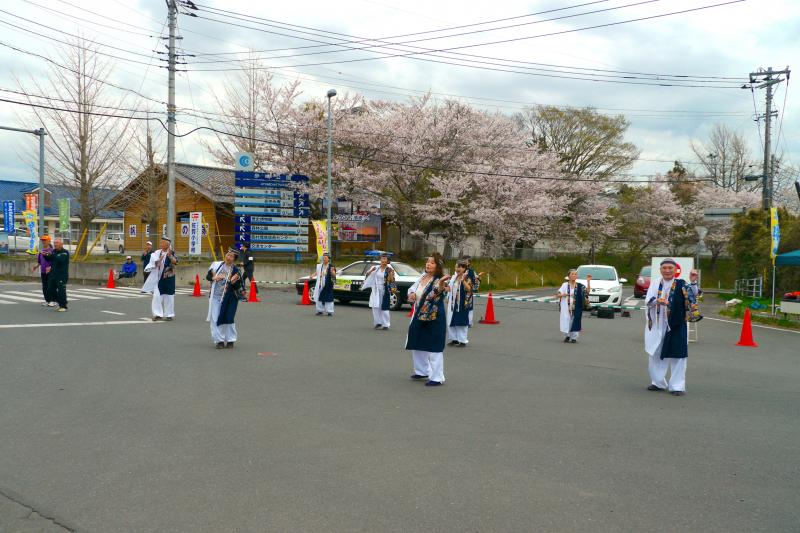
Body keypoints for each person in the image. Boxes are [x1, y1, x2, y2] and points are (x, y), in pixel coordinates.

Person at [644, 258, 697, 396]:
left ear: (675, 270)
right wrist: (657, 301)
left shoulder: (682, 284)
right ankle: (657, 382)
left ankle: (677, 386)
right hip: (657, 323)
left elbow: (693, 296)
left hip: (677, 323)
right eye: (664, 268)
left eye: (670, 268)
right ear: (660, 270)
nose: (667, 270)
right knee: (655, 353)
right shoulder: (655, 283)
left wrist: (693, 282)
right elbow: (647, 301)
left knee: (678, 355)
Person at [406, 253, 451, 387]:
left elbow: (437, 292)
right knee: (416, 340)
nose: (428, 264)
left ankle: (437, 377)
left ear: (438, 266)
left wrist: (442, 284)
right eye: (427, 262)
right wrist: (412, 294)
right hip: (419, 314)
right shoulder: (422, 277)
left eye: (432, 262)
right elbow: (412, 289)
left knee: (434, 346)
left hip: (434, 316)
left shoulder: (440, 279)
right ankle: (421, 370)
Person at [206, 248, 243, 349]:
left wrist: (233, 282)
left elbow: (238, 287)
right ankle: (219, 340)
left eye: (231, 256)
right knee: (215, 318)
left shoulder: (236, 270)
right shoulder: (216, 265)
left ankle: (230, 339)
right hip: (215, 296)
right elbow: (208, 277)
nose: (228, 257)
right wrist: (214, 278)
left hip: (230, 298)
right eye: (227, 255)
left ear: (234, 259)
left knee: (228, 317)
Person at [143, 237, 178, 321]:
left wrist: (169, 256)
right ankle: (157, 314)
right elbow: (154, 263)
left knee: (169, 296)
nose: (161, 244)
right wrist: (159, 260)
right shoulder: (157, 252)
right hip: (158, 278)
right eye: (161, 242)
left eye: (163, 243)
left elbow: (175, 262)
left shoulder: (172, 252)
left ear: (168, 244)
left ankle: (169, 314)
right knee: (157, 296)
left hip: (169, 277)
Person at [556, 270, 591, 343]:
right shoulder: (564, 285)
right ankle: (567, 336)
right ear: (568, 276)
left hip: (576, 307)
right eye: (572, 274)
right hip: (566, 307)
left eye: (575, 274)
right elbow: (557, 295)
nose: (574, 275)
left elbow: (587, 292)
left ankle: (574, 337)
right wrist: (563, 295)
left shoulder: (579, 286)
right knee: (566, 321)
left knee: (575, 321)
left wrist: (588, 282)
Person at [364, 253, 396, 330]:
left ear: (388, 261)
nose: (383, 260)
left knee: (384, 307)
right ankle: (378, 323)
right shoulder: (376, 268)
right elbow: (367, 275)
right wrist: (371, 271)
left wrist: (393, 290)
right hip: (376, 290)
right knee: (375, 306)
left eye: (385, 259)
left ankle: (386, 324)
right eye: (382, 258)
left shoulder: (390, 270)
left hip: (385, 290)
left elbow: (392, 281)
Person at [446, 260, 472, 347]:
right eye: (457, 266)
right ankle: (454, 339)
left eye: (461, 267)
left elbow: (469, 289)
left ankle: (462, 340)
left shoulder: (467, 277)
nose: (459, 268)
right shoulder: (454, 277)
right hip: (452, 303)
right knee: (451, 320)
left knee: (461, 321)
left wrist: (463, 281)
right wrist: (447, 296)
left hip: (462, 303)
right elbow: (449, 288)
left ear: (465, 268)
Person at [44, 238, 70, 312]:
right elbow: (50, 259)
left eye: (57, 243)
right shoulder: (54, 251)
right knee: (50, 289)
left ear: (61, 244)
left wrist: (51, 255)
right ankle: (61, 301)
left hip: (62, 275)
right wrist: (45, 255)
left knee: (61, 290)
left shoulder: (65, 252)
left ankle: (63, 306)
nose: (55, 244)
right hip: (53, 274)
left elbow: (60, 259)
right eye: (54, 243)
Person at [32, 235, 54, 306]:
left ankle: (52, 301)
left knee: (50, 286)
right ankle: (47, 300)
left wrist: (50, 267)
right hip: (43, 271)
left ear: (49, 241)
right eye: (42, 240)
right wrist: (36, 266)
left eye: (45, 240)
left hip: (51, 272)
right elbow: (40, 261)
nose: (43, 241)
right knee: (44, 286)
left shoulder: (52, 251)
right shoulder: (41, 252)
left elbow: (55, 262)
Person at [463, 257, 483, 326]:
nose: (465, 262)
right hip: (461, 290)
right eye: (464, 261)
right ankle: (464, 320)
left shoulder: (471, 271)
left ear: (469, 263)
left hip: (469, 291)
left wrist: (478, 278)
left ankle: (469, 322)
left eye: (466, 261)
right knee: (462, 305)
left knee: (469, 306)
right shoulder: (460, 269)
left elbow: (475, 279)